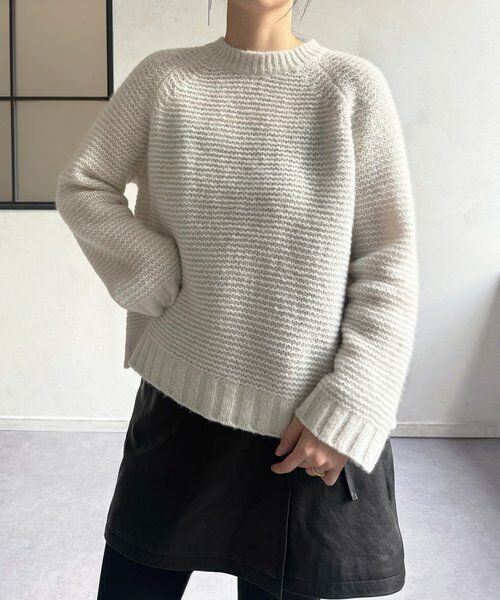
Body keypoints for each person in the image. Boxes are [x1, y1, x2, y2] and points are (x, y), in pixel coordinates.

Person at [55, 1, 419, 598]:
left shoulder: (351, 87)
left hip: (306, 423)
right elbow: (83, 184)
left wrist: (351, 404)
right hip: (181, 397)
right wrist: (153, 269)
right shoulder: (165, 79)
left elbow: (387, 258)